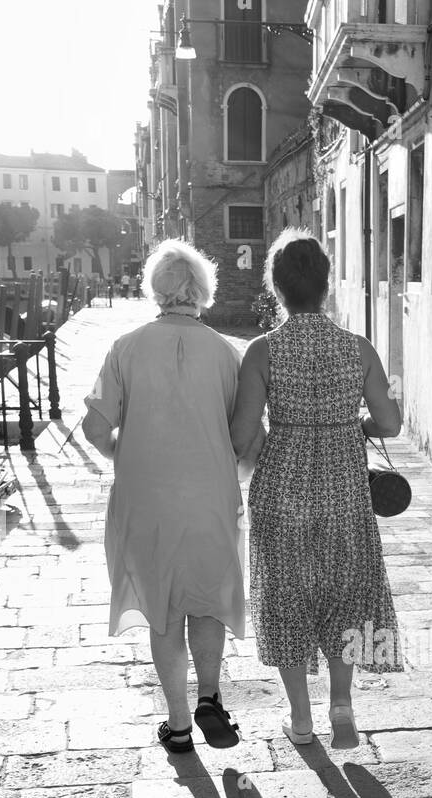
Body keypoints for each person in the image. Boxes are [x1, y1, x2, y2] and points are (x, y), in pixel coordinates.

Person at [230, 229, 403, 751]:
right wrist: (352, 426)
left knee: (285, 598)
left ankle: (301, 719)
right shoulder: (357, 348)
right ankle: (343, 707)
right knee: (345, 594)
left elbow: (241, 436)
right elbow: (390, 424)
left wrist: (273, 438)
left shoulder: (264, 350)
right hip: (345, 490)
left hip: (282, 491)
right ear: (326, 286)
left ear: (276, 289)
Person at [82, 239, 246, 754]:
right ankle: (211, 698)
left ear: (154, 289)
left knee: (163, 610)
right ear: (203, 290)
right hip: (208, 500)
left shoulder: (125, 347)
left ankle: (178, 725)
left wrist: (124, 454)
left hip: (145, 500)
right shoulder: (226, 352)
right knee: (207, 601)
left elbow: (92, 427)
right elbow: (245, 440)